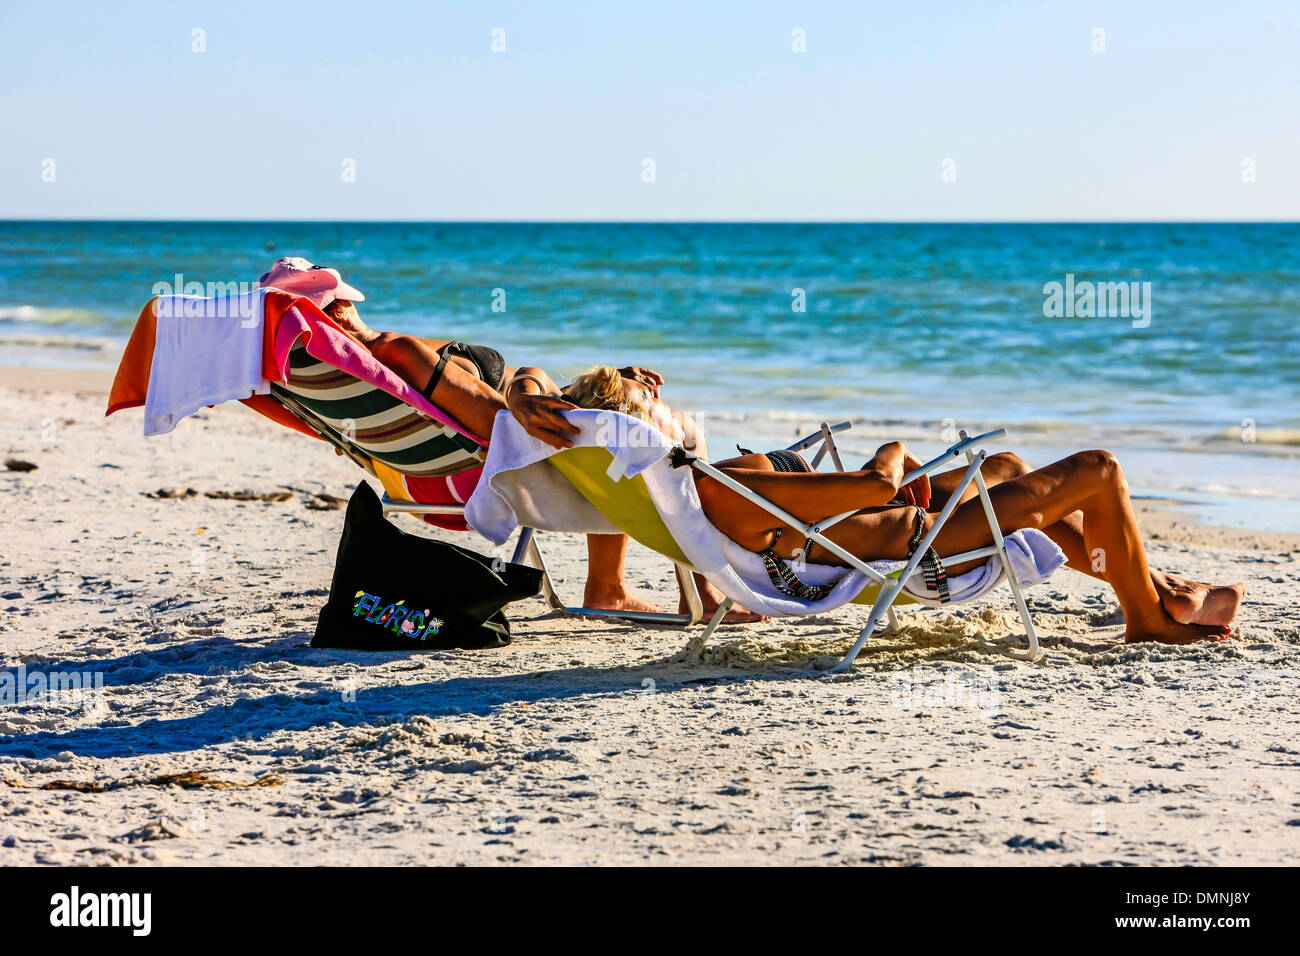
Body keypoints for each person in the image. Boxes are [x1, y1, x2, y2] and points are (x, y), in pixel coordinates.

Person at [559, 365, 1246, 644]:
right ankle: (1148, 619)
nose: (672, 402)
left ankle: (1157, 588)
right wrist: (892, 450)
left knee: (1006, 468)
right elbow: (872, 491)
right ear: (649, 428)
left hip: (902, 531)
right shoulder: (720, 479)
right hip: (923, 545)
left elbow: (840, 507)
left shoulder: (702, 483)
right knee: (1100, 468)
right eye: (656, 402)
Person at [256, 257, 763, 622]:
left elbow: (501, 414)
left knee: (621, 402)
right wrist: (541, 385)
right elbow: (505, 423)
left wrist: (574, 385)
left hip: (416, 484)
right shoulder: (397, 351)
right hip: (496, 477)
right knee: (650, 426)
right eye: (346, 300)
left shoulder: (303, 381)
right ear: (338, 309)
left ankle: (610, 588)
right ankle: (690, 591)